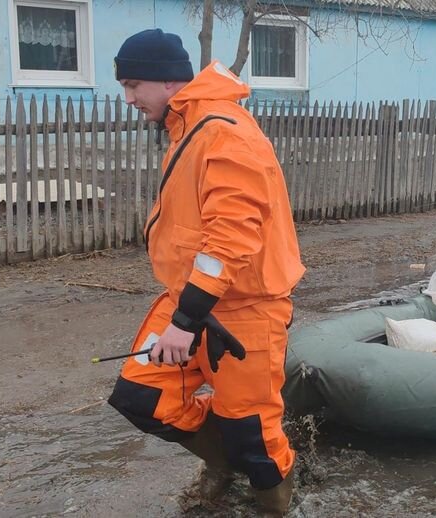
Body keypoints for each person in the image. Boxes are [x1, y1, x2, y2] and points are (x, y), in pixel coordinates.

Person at [105, 29, 305, 516]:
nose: (128, 98)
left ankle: (274, 500)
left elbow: (231, 237)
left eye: (134, 85)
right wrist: (186, 310)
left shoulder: (222, 131)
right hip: (191, 300)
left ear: (169, 80)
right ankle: (228, 465)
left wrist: (185, 321)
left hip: (243, 310)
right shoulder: (187, 126)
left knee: (251, 431)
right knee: (140, 395)